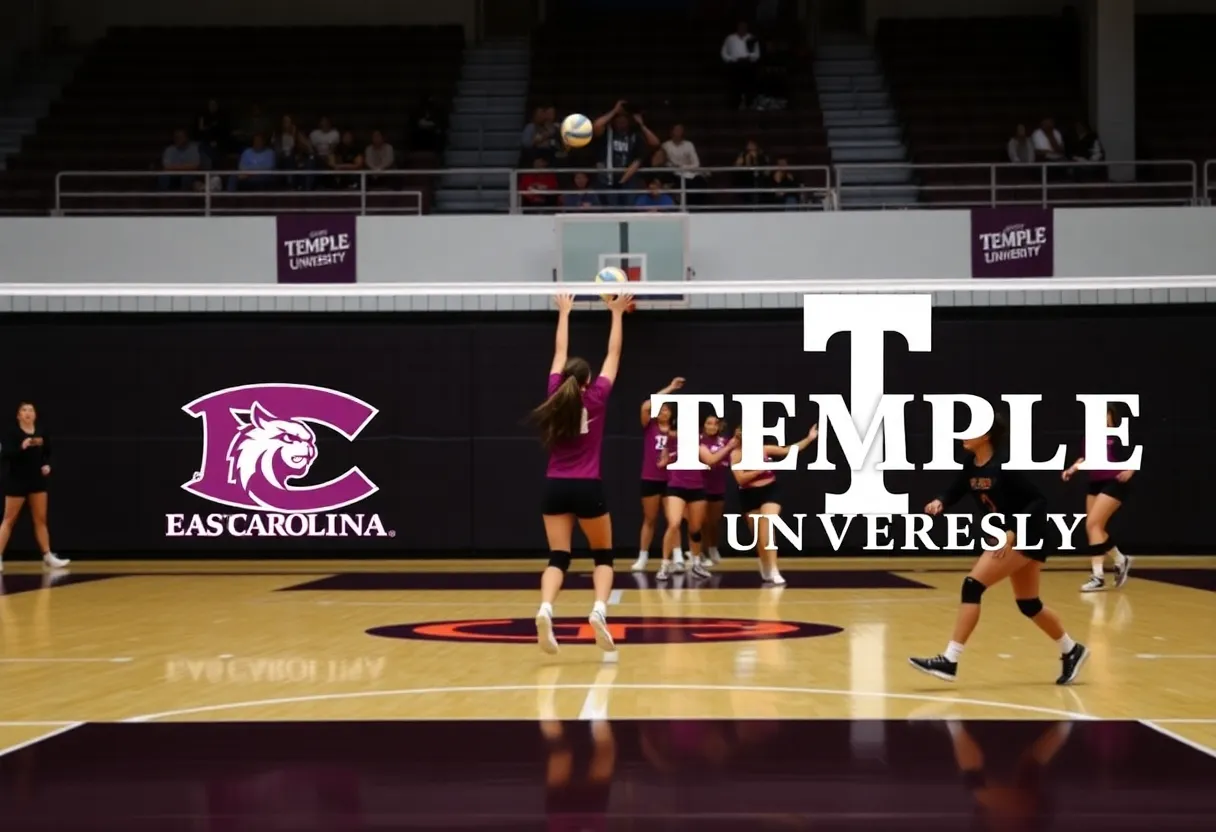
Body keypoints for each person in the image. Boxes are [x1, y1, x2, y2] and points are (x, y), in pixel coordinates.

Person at [909, 414, 1088, 685]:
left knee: (972, 586)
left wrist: (1013, 533)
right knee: (1029, 604)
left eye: (969, 431)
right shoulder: (971, 463)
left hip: (1025, 534)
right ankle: (1071, 649)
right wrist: (941, 501)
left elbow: (1038, 500)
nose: (962, 435)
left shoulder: (1004, 466)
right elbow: (957, 487)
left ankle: (950, 660)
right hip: (1011, 535)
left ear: (986, 436)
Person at [532, 292, 633, 655]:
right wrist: (616, 313)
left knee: (558, 557)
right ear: (589, 382)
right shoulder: (597, 398)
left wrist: (564, 312)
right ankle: (598, 611)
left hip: (554, 487)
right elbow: (614, 355)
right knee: (603, 556)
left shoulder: (553, 395)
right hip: (588, 487)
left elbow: (559, 353)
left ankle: (545, 608)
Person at [729, 424, 818, 586]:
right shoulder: (736, 454)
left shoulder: (764, 449)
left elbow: (788, 450)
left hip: (770, 490)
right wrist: (757, 470)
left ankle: (774, 569)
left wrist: (809, 438)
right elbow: (740, 479)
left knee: (768, 527)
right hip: (749, 495)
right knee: (760, 538)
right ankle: (765, 563)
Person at [654, 419, 738, 581]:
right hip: (675, 488)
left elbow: (711, 460)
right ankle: (664, 565)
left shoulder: (698, 444)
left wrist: (729, 446)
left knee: (695, 529)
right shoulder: (672, 442)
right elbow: (663, 461)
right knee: (674, 524)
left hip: (697, 488)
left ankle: (696, 563)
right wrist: (664, 459)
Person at [1061, 405, 1133, 592]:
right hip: (1095, 483)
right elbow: (1085, 458)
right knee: (1094, 527)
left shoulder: (1119, 436)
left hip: (1115, 482)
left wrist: (1130, 470)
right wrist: (1072, 469)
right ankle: (1120, 559)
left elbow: (1137, 454)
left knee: (1093, 524)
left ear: (1112, 417)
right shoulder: (1090, 437)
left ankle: (1098, 576)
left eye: (1105, 415)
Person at [0, 403, 71, 572]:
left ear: (35, 415)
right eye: (24, 410)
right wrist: (21, 447)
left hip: (37, 481)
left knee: (40, 519)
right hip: (17, 480)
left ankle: (48, 556)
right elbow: (5, 455)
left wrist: (47, 465)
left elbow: (48, 452)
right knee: (9, 520)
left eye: (31, 410)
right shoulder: (12, 433)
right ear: (18, 416)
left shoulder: (41, 432)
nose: (28, 413)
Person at [630, 377, 683, 574]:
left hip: (672, 480)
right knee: (650, 519)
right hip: (651, 478)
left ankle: (677, 556)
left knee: (674, 520)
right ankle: (643, 556)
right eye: (660, 409)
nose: (662, 412)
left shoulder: (677, 432)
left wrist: (671, 457)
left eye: (666, 409)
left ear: (671, 414)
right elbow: (646, 406)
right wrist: (669, 388)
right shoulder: (649, 426)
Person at [700, 415, 731, 564]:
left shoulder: (724, 442)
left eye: (715, 424)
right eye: (709, 423)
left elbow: (729, 460)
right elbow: (710, 460)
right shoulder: (699, 441)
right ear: (704, 425)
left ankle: (713, 548)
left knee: (713, 522)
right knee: (702, 522)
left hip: (718, 487)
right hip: (701, 486)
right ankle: (701, 552)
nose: (712, 426)